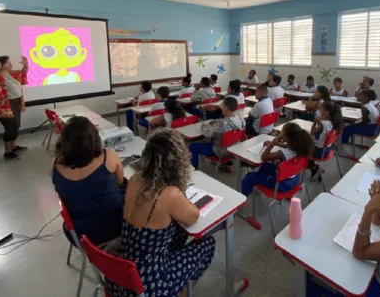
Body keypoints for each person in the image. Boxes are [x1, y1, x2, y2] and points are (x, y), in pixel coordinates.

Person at [106, 129, 215, 297]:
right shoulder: (170, 193)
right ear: (177, 162)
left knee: (178, 232)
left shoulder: (135, 179)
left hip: (121, 273)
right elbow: (193, 217)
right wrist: (181, 187)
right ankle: (182, 291)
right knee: (207, 243)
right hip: (149, 283)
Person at [52, 116, 124, 246]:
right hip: (115, 228)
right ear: (94, 138)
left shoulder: (55, 166)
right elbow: (119, 183)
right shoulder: (108, 157)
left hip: (79, 234)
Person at [241, 122, 313, 196]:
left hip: (281, 185)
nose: (280, 134)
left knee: (250, 176)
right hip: (293, 181)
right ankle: (260, 182)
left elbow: (264, 157)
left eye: (282, 132)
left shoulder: (284, 152)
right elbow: (287, 146)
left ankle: (242, 197)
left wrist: (272, 144)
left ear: (287, 137)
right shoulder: (298, 149)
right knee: (266, 165)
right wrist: (277, 143)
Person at [0, 55, 29, 160]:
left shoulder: (11, 73)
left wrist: (26, 64)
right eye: (7, 62)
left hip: (16, 102)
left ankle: (13, 147)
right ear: (0, 65)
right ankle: (8, 152)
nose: (10, 64)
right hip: (3, 106)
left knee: (16, 125)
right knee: (11, 127)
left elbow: (23, 73)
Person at [190, 97, 245, 169]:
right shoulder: (242, 120)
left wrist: (204, 125)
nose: (221, 108)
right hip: (234, 148)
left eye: (222, 107)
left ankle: (194, 168)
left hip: (221, 152)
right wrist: (218, 121)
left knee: (193, 146)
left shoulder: (222, 125)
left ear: (226, 108)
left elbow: (207, 134)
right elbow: (227, 122)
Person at [308, 102, 343, 179]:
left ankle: (314, 168)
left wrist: (315, 122)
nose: (319, 112)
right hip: (327, 150)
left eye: (320, 110)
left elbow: (312, 132)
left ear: (326, 113)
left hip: (318, 152)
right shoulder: (334, 123)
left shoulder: (323, 124)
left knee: (299, 149)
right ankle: (314, 167)